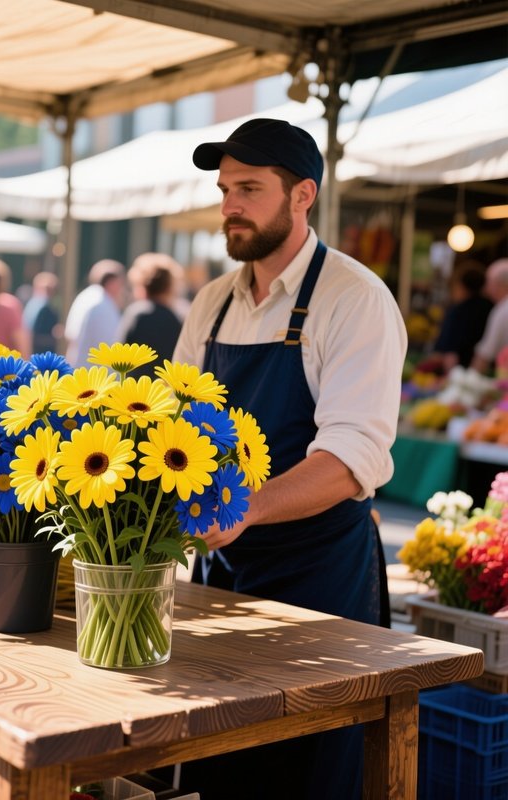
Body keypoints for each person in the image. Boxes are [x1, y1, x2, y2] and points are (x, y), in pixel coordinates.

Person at [172, 118, 407, 800]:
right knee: (222, 758)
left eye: (249, 188)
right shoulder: (213, 305)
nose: (229, 207)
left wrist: (244, 506)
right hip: (223, 577)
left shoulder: (354, 300)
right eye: (224, 190)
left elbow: (349, 457)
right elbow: (170, 427)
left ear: (302, 196)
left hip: (321, 580)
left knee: (309, 767)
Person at [117, 252, 184, 378]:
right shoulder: (175, 319)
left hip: (133, 391)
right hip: (163, 391)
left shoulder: (136, 314)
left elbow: (119, 354)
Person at [431, 259, 492, 372]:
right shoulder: (491, 307)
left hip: (459, 371)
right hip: (484, 369)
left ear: (461, 286)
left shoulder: (458, 311)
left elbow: (450, 352)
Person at [64, 259, 125, 367]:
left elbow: (70, 333)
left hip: (78, 364)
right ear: (112, 282)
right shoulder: (103, 304)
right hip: (95, 371)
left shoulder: (85, 296)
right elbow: (112, 343)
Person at [471, 258, 508, 374]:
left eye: (488, 284)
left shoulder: (503, 309)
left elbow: (485, 353)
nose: (486, 289)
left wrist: (468, 380)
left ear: (499, 284)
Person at [23, 271, 61, 354]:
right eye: (47, 289)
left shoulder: (30, 304)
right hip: (41, 355)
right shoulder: (44, 308)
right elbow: (35, 336)